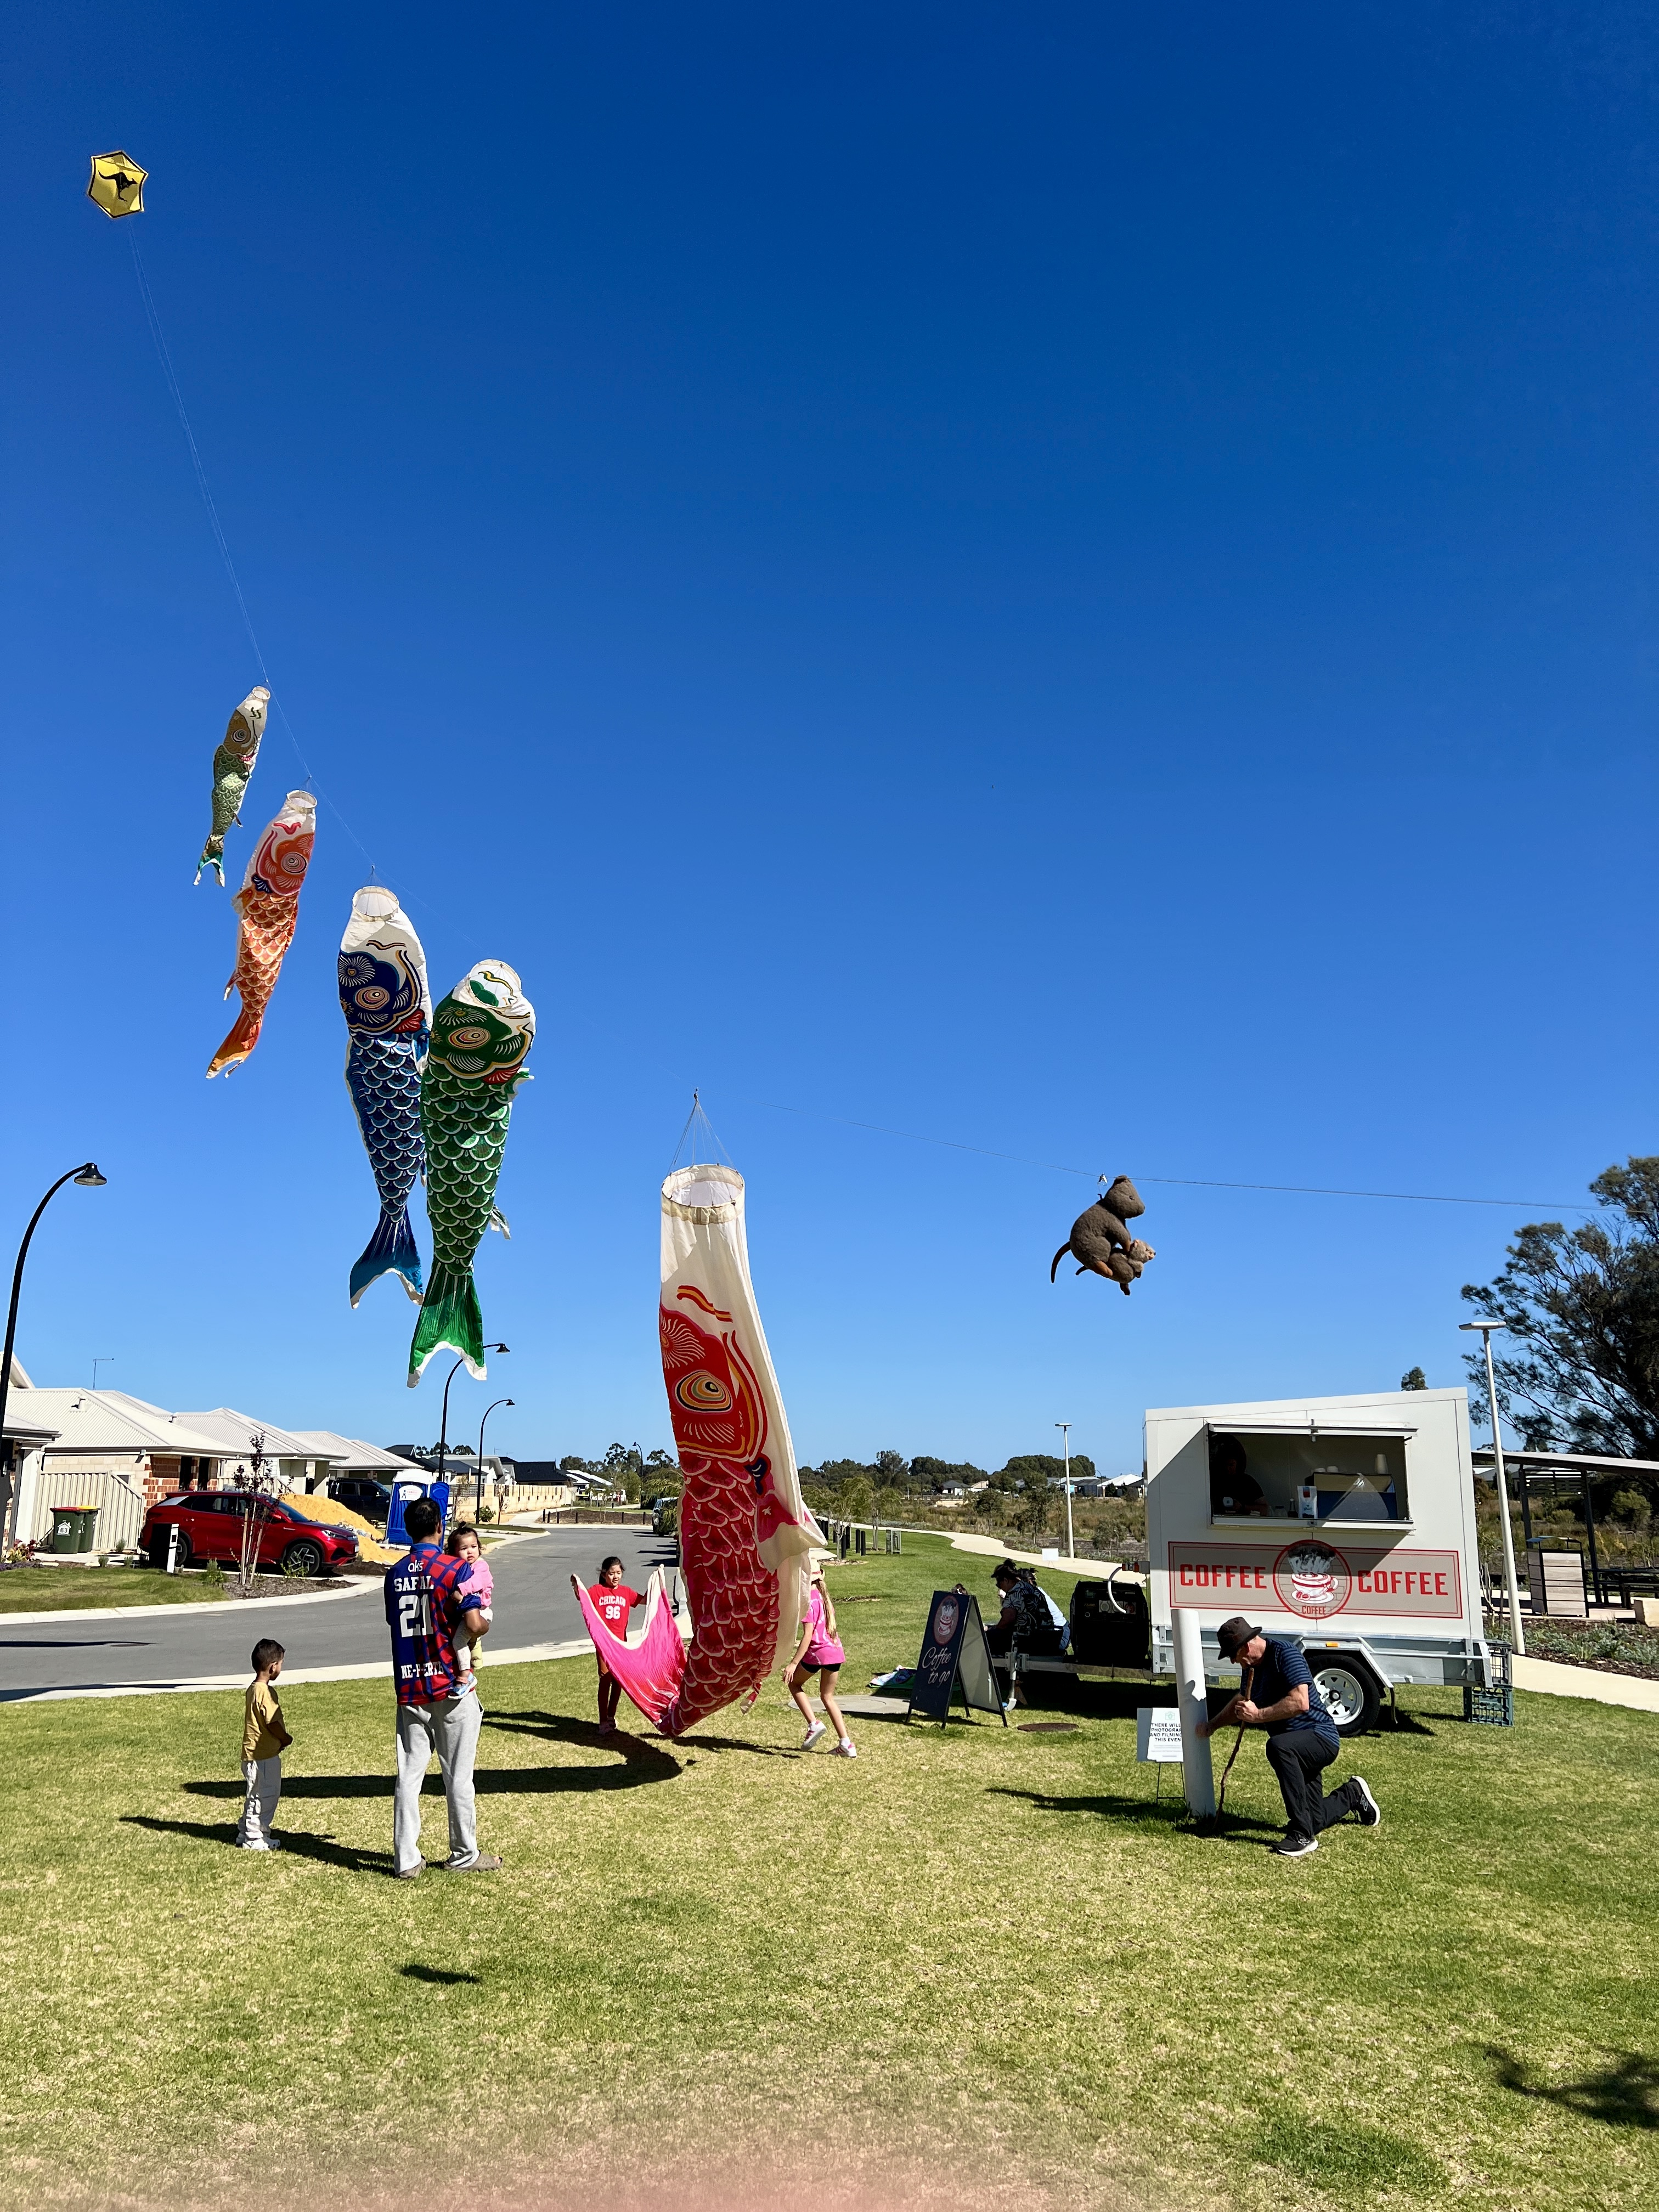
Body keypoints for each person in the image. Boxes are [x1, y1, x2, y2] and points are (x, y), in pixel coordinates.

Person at [1199, 1613, 1382, 1859]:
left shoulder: (1285, 1654)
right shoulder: (1251, 1668)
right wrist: (1212, 1726)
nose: (1233, 1662)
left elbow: (1300, 1702)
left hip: (1320, 1738)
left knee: (1278, 1747)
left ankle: (1302, 1836)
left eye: (1233, 1655)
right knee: (1314, 1818)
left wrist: (1258, 1715)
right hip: (1296, 1748)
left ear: (1246, 1646)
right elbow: (1242, 1702)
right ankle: (1353, 1794)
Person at [383, 1498, 500, 1879]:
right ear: (439, 1525)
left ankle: (406, 1858)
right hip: (451, 1685)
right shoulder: (454, 1569)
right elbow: (474, 1622)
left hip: (411, 1686)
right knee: (458, 1775)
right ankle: (464, 1852)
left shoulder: (394, 1573)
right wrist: (481, 1623)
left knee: (409, 1775)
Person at [783, 1563, 855, 1757]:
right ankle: (846, 1744)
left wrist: (793, 1664)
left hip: (818, 1653)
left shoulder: (807, 1602)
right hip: (835, 1652)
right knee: (828, 1697)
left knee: (794, 1683)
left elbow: (807, 1637)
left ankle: (814, 1724)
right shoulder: (825, 1598)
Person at [976, 1559, 1063, 1708]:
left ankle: (981, 1683)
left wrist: (989, 1630)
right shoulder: (1031, 1588)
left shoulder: (1015, 1593)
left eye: (999, 1584)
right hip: (1050, 1636)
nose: (1000, 1588)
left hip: (1029, 1639)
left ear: (1006, 1580)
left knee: (983, 1639)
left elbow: (1007, 1621)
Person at [240, 1638, 290, 1852]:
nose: (281, 1668)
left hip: (253, 1754)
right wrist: (285, 1738)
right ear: (272, 1667)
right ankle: (255, 1836)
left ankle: (246, 1831)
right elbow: (271, 1722)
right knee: (266, 1795)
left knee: (255, 1793)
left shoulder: (253, 1689)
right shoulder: (265, 1693)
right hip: (264, 1756)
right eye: (280, 1664)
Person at [587, 1554, 644, 1736]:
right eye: (612, 1573)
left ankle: (611, 1717)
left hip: (621, 1645)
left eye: (619, 1573)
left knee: (619, 1681)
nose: (616, 1576)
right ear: (604, 1574)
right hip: (604, 1644)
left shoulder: (626, 1592)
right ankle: (603, 1721)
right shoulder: (597, 1591)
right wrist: (576, 1585)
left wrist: (657, 1586)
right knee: (605, 1679)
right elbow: (582, 1598)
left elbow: (644, 1600)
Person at [444, 1523, 493, 1689]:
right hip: (467, 1614)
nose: (470, 1551)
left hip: (482, 1612)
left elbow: (479, 1582)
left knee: (459, 1641)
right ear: (453, 1553)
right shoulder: (459, 1568)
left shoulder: (481, 1566)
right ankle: (476, 1659)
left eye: (474, 1547)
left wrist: (461, 1590)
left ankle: (466, 1675)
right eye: (464, 1548)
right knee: (469, 1639)